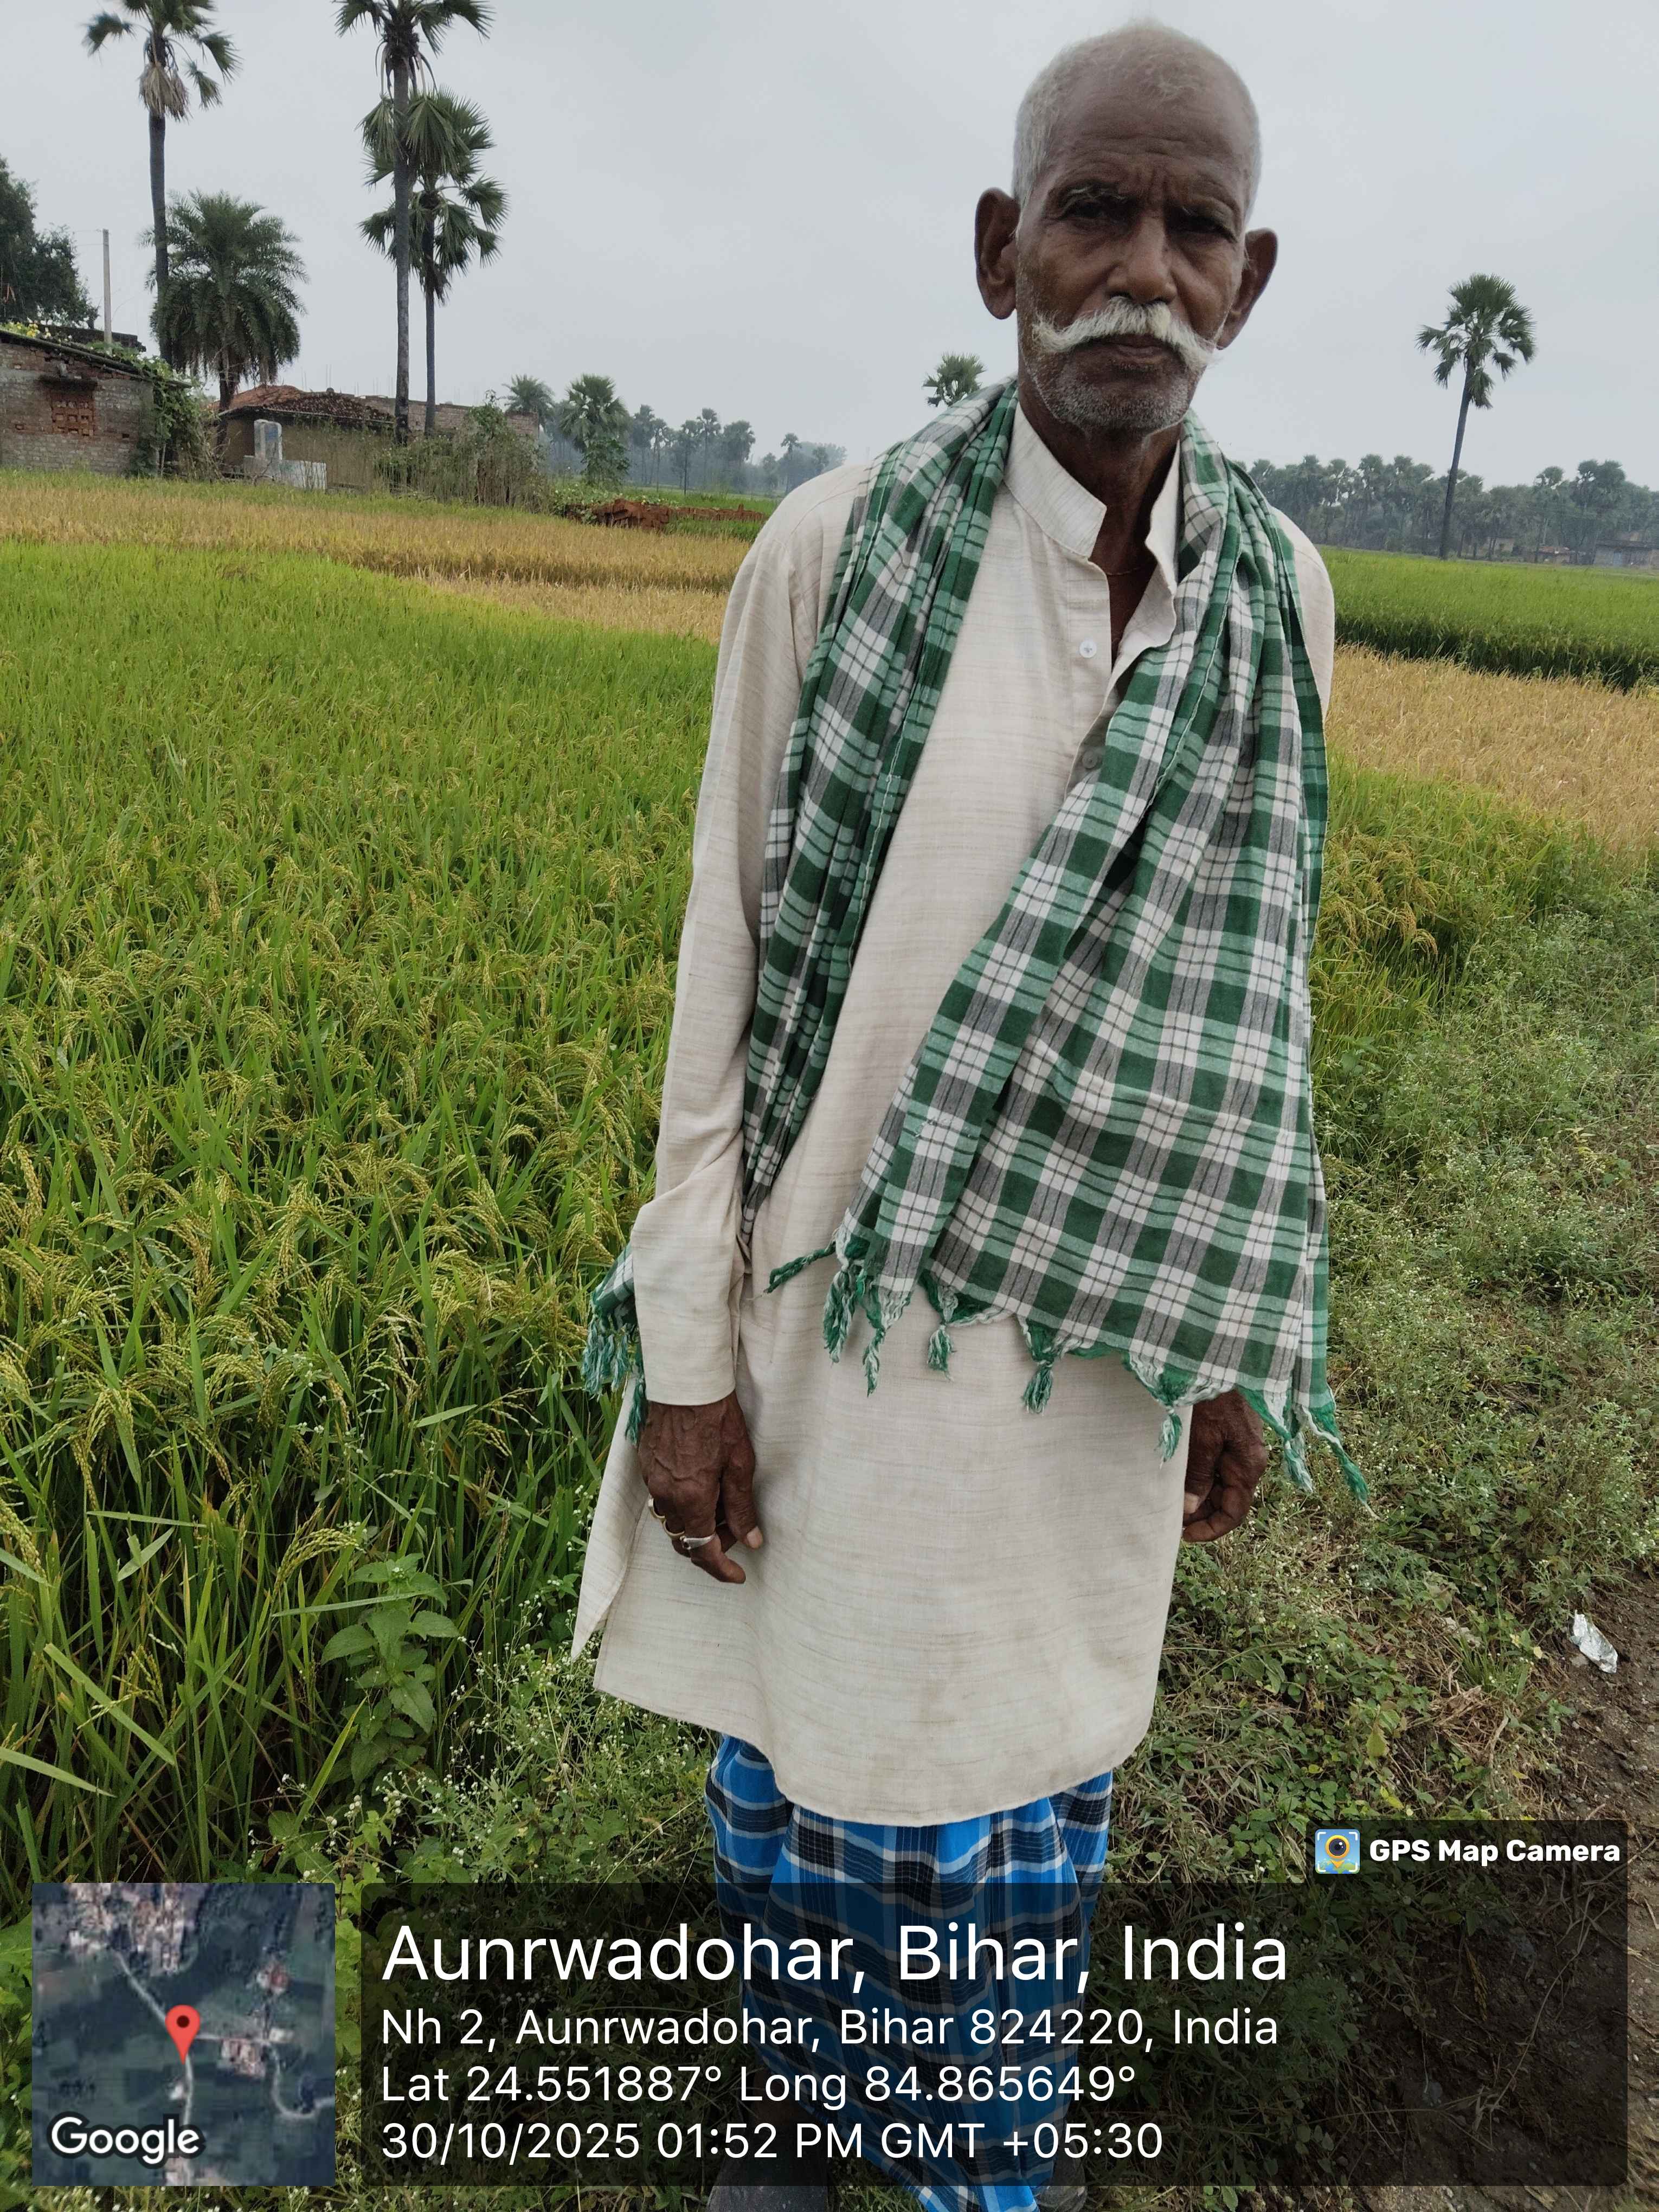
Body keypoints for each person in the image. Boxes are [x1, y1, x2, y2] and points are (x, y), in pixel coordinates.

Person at [575, 21, 1364, 2210]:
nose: (1142, 269)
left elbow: (1262, 1011)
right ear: (1002, 247)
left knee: (1025, 1789)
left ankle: (967, 2155)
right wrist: (687, 1355)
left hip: (1093, 1366)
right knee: (815, 1762)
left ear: (1250, 279)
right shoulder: (835, 555)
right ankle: (807, 2117)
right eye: (1095, 212)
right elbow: (722, 982)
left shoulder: (1280, 604)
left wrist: (1235, 1344)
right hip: (841, 1351)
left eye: (1194, 227)